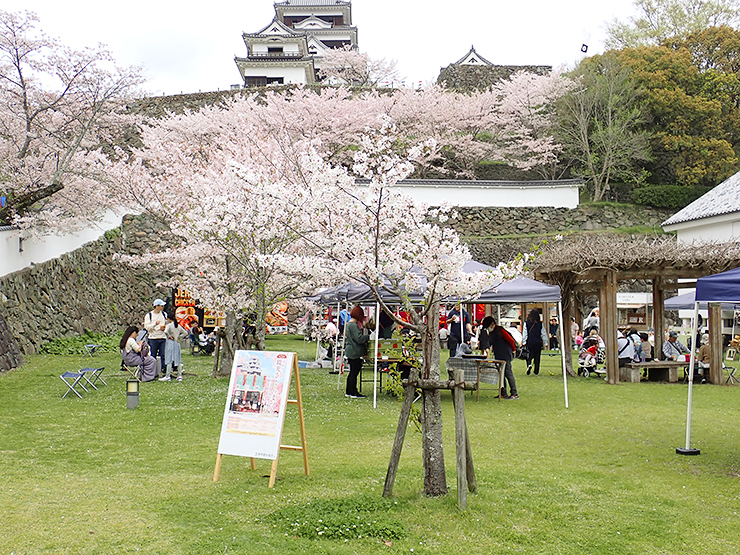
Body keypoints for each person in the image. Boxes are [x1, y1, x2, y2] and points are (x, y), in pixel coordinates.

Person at [481, 316, 518, 399]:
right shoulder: (491, 332)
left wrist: (514, 350)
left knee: (508, 373)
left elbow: (511, 340)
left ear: (493, 324)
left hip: (506, 354)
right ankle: (503, 392)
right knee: (501, 374)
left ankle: (514, 393)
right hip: (498, 354)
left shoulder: (500, 330)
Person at [344, 305, 369, 399]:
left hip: (350, 350)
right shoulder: (353, 326)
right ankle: (353, 392)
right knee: (354, 372)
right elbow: (359, 339)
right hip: (355, 352)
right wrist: (368, 337)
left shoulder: (349, 324)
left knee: (352, 372)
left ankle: (349, 391)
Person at [144, 299, 168, 377]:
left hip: (163, 337)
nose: (162, 307)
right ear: (156, 306)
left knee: (163, 355)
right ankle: (153, 372)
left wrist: (165, 328)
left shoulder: (164, 314)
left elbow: (167, 324)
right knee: (153, 355)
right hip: (153, 338)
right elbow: (147, 327)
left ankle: (164, 371)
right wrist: (155, 324)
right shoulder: (149, 315)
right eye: (161, 306)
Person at [162, 314, 189, 381]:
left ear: (168, 319)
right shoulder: (178, 326)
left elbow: (165, 331)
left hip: (170, 342)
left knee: (169, 359)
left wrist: (169, 336)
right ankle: (179, 375)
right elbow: (185, 333)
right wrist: (178, 337)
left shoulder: (169, 325)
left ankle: (168, 375)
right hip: (176, 343)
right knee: (178, 359)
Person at [522, 309, 547, 375]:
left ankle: (529, 364)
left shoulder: (526, 323)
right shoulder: (540, 324)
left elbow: (525, 333)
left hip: (529, 341)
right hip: (538, 342)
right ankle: (536, 371)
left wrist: (524, 342)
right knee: (537, 357)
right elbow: (543, 333)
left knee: (528, 355)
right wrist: (546, 342)